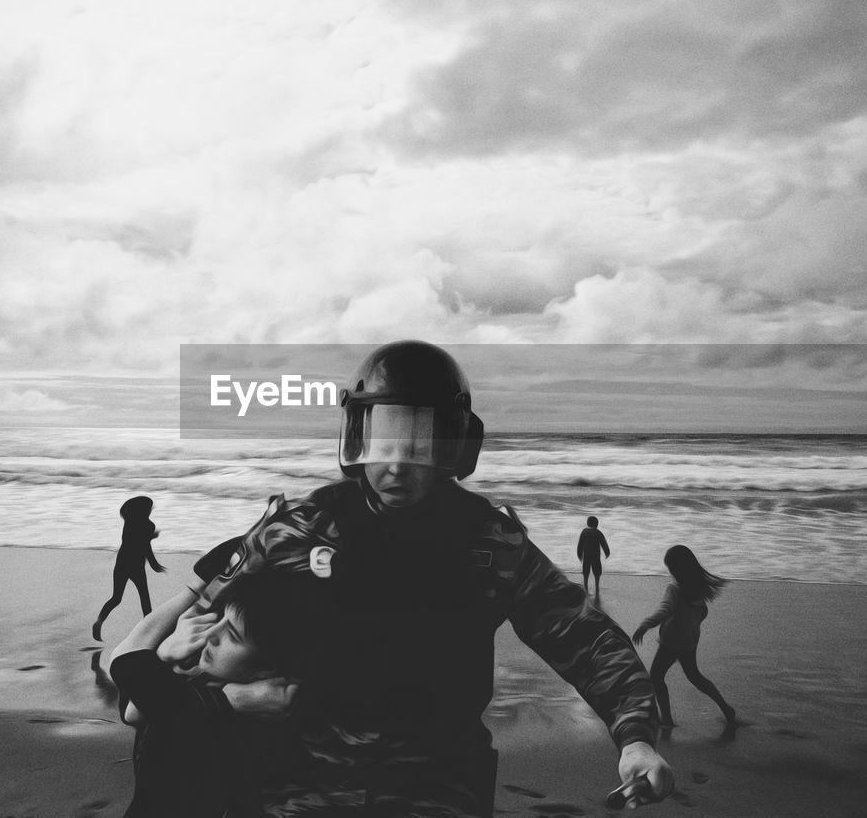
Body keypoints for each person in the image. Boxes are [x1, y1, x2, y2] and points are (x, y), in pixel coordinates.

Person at [179, 340, 674, 816]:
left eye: (419, 444)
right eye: (383, 440)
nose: (397, 465)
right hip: (300, 781)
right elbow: (199, 634)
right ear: (358, 437)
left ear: (454, 445)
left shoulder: (491, 544)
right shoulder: (297, 530)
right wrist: (222, 699)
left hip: (438, 786)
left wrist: (635, 738)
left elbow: (586, 640)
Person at [108, 572, 306, 818]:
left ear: (268, 668)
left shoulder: (213, 716)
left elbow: (123, 663)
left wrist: (167, 650)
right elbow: (136, 712)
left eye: (232, 635)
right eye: (220, 619)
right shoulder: (212, 690)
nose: (211, 634)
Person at [631, 545, 736, 728]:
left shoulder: (674, 588)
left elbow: (665, 610)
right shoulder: (697, 588)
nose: (669, 571)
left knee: (656, 677)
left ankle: (667, 719)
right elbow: (703, 612)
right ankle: (726, 708)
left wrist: (645, 624)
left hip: (672, 641)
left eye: (670, 567)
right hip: (689, 641)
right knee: (695, 676)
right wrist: (691, 625)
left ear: (676, 568)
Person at [94, 496, 165, 641]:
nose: (151, 509)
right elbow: (144, 546)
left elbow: (133, 539)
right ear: (145, 510)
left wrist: (150, 537)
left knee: (116, 598)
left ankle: (99, 621)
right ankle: (149, 633)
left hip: (121, 563)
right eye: (150, 507)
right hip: (136, 566)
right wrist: (153, 563)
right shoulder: (148, 525)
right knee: (145, 600)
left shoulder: (129, 521)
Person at [576, 516, 611, 596]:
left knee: (586, 570)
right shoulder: (598, 532)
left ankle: (585, 585)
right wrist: (607, 552)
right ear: (597, 524)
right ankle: (597, 585)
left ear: (587, 523)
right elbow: (604, 543)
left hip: (587, 555)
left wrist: (579, 554)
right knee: (597, 571)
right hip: (595, 555)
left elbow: (580, 544)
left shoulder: (584, 532)